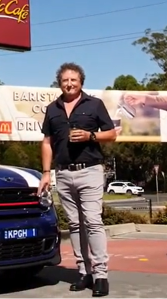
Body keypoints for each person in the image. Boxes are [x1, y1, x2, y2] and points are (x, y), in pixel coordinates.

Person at [38, 62, 118, 297]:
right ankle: (84, 272)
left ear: (81, 81)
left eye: (73, 79)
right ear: (59, 83)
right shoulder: (52, 109)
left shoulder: (94, 104)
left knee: (92, 221)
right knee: (74, 224)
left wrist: (90, 135)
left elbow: (112, 134)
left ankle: (101, 275)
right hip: (63, 174)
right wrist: (46, 173)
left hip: (90, 171)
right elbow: (46, 142)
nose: (69, 84)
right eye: (65, 80)